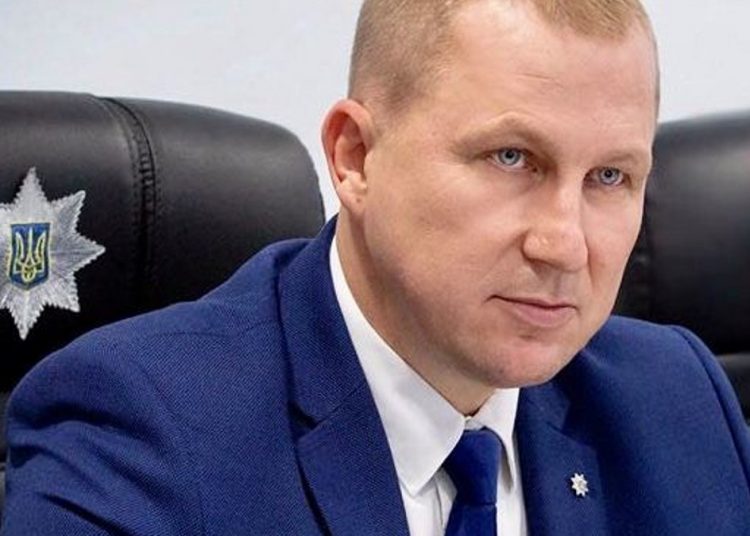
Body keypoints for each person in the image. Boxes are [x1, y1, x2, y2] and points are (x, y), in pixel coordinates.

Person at [2, 0, 749, 534]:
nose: (565, 245)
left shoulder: (675, 397)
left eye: (610, 177)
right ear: (355, 157)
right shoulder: (141, 430)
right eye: (511, 158)